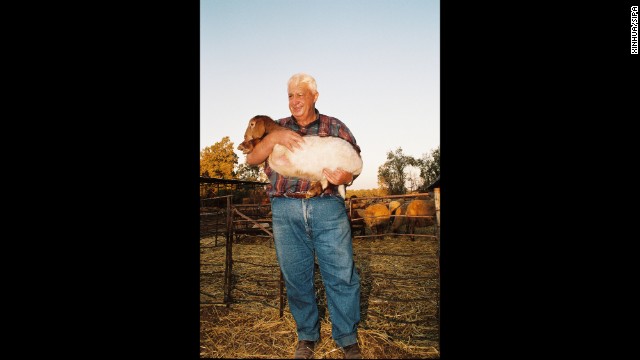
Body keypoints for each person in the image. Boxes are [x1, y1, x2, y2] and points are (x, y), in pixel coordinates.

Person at [246, 73, 363, 359]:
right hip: (285, 209)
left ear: (314, 96)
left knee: (340, 274)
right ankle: (307, 336)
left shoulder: (334, 126)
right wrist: (274, 136)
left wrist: (346, 176)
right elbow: (252, 158)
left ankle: (346, 337)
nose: (295, 101)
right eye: (290, 96)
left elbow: (356, 163)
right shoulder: (276, 126)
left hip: (327, 206)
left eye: (300, 94)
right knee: (296, 276)